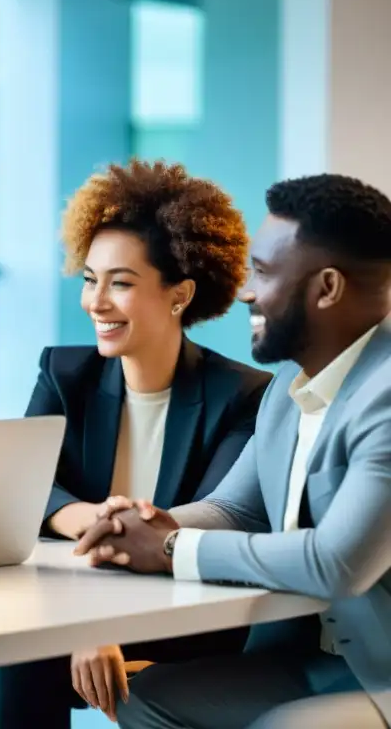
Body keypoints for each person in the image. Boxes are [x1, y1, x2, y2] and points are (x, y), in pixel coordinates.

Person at [75, 173, 391, 728]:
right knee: (145, 696)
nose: (246, 290)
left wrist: (171, 548)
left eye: (264, 273)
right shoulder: (293, 381)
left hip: (382, 675)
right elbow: (238, 509)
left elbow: (337, 564)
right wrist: (141, 523)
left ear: (328, 288)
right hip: (305, 655)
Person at [0, 160, 272, 728]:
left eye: (120, 283)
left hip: (187, 618)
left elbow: (201, 526)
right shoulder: (63, 375)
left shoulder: (242, 395)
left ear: (180, 294)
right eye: (89, 279)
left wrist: (101, 623)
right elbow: (21, 486)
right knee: (21, 650)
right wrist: (83, 517)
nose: (95, 301)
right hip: (74, 606)